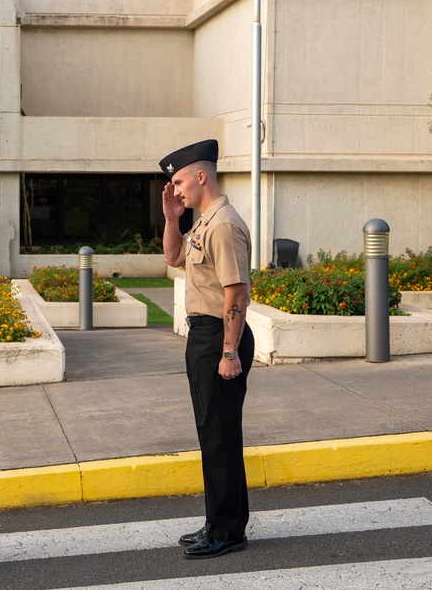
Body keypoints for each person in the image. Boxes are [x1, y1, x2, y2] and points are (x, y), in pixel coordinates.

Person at [159, 139, 254, 559]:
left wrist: (229, 353)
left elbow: (236, 294)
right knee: (215, 434)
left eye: (178, 182)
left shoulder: (223, 224)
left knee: (220, 436)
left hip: (220, 337)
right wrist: (171, 218)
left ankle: (227, 530)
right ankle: (223, 520)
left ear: (201, 176)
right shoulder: (201, 222)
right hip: (204, 337)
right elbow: (174, 257)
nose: (175, 189)